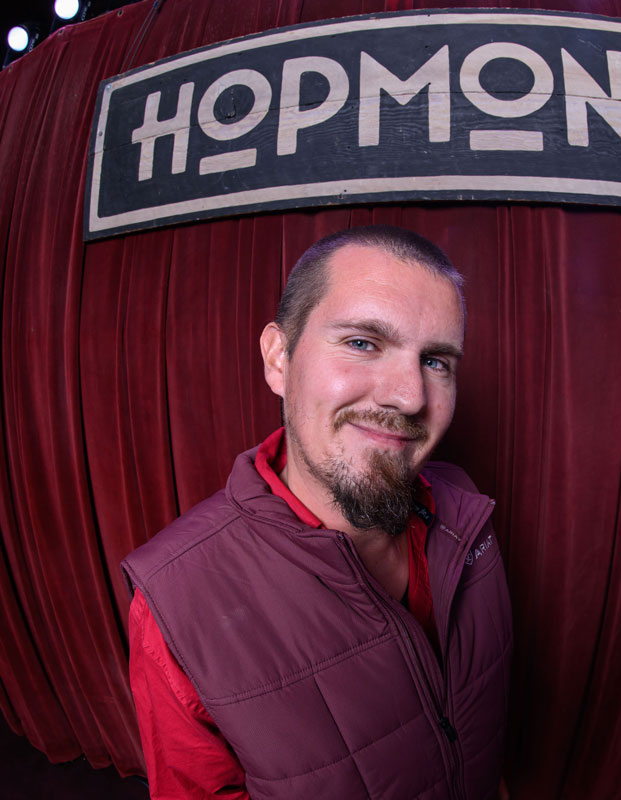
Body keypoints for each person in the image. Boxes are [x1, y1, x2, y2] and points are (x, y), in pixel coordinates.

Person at [122, 225, 513, 799]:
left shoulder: (466, 509)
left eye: (435, 361)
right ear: (279, 358)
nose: (409, 397)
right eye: (362, 343)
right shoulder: (177, 603)